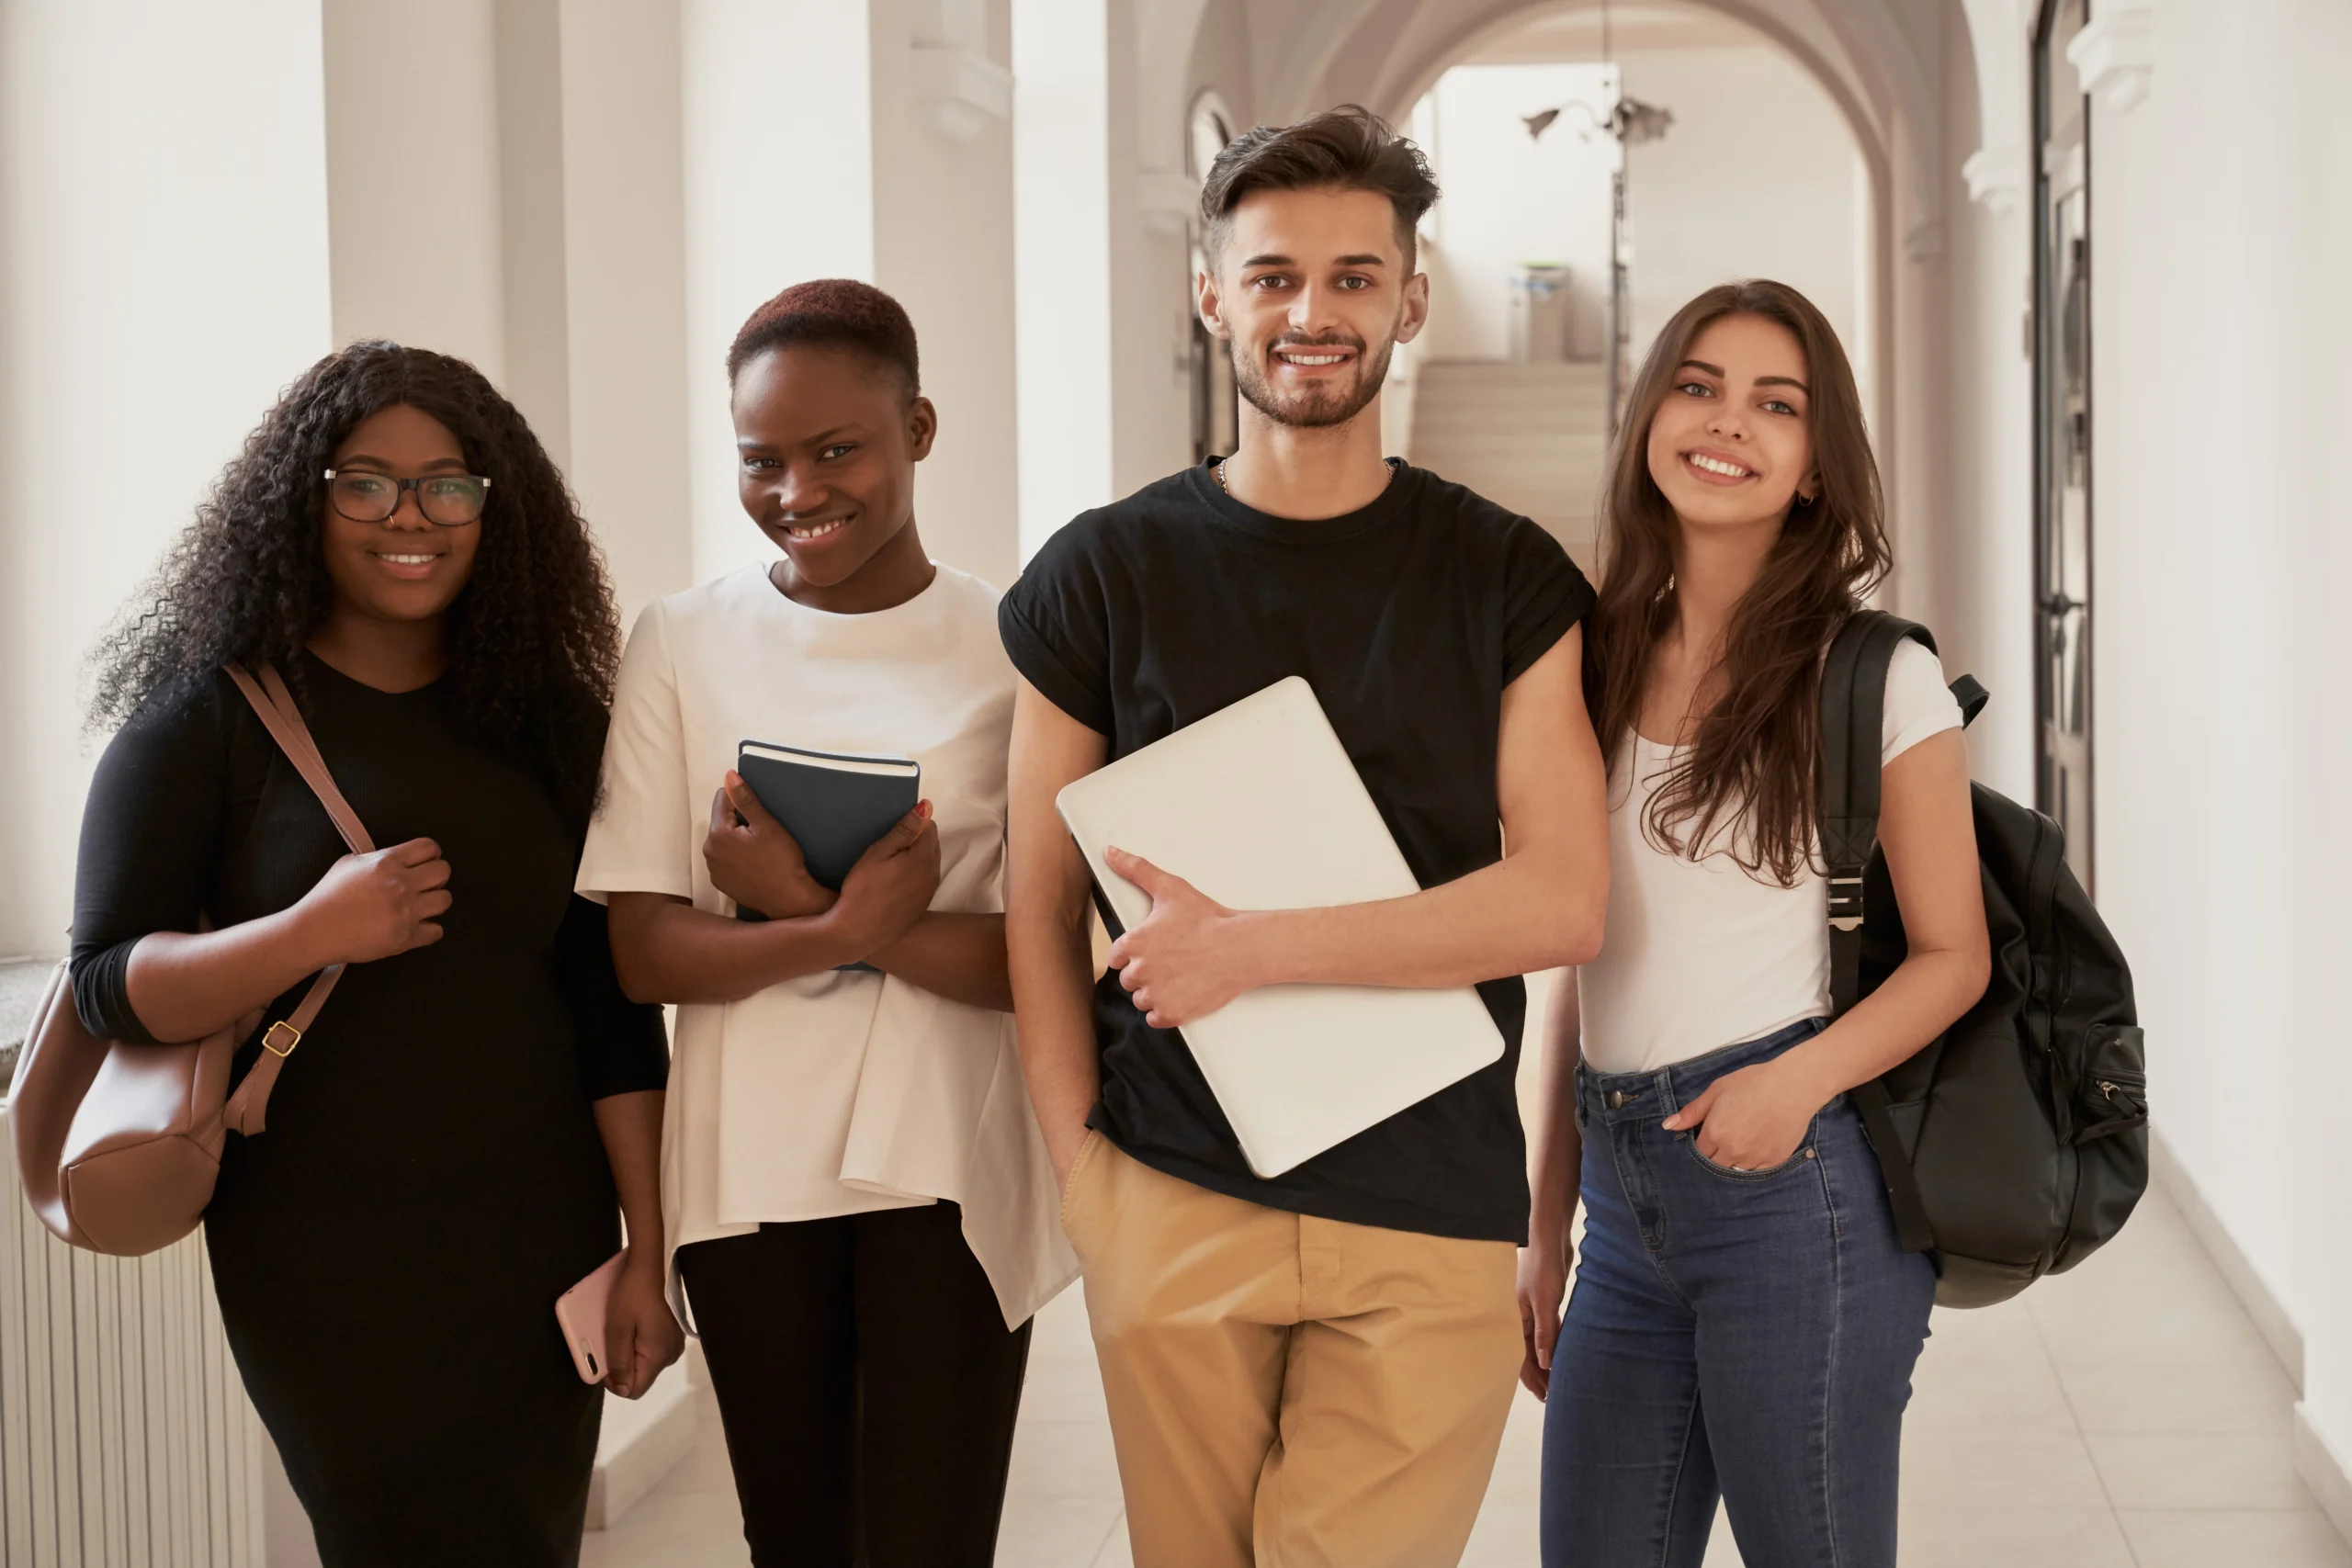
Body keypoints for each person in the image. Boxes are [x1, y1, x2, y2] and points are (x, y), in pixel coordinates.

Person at [999, 106, 1611, 1568]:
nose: (1312, 313)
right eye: (1273, 276)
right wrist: (1085, 1175)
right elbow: (1031, 897)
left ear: (1410, 298)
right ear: (1212, 294)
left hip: (1429, 1207)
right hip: (1173, 1187)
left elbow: (1565, 899)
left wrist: (1252, 951)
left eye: (1353, 277)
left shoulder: (1506, 576)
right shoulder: (1102, 573)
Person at [70, 342, 678, 1566]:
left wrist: (649, 1249)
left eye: (450, 484)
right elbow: (106, 987)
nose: (412, 516)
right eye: (368, 482)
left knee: (524, 1540)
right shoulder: (208, 718)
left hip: (534, 1231)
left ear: (495, 512)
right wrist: (310, 931)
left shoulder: (553, 719)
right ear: (308, 497)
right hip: (317, 1245)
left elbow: (610, 1006)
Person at [585, 278, 1068, 1568]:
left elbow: (1046, 958)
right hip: (748, 1166)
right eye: (762, 460)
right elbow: (641, 945)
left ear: (917, 427)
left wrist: (815, 910)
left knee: (932, 1536)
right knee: (795, 1538)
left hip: (952, 1154)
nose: (797, 488)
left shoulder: (1019, 646)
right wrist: (833, 921)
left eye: (836, 448)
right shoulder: (680, 644)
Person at [1520, 280, 1992, 1568]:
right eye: (1698, 384)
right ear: (1649, 416)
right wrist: (1544, 1216)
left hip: (1800, 1195)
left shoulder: (1876, 674)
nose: (1728, 421)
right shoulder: (1588, 656)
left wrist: (1795, 1084)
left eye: (1775, 404)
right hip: (1618, 1212)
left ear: (1815, 465)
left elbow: (1957, 957)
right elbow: (1578, 943)